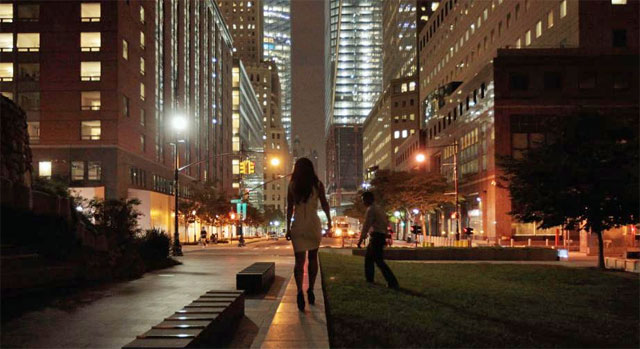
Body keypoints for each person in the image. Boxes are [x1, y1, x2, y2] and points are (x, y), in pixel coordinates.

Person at [286, 157, 332, 311]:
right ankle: (311, 289)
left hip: (298, 225)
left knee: (299, 262)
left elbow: (289, 208)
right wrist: (330, 221)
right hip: (313, 224)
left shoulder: (292, 185)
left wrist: (287, 227)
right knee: (313, 258)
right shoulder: (318, 185)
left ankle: (299, 291)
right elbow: (325, 203)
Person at [357, 192, 399, 289]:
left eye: (363, 200)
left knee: (378, 260)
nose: (363, 202)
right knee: (369, 258)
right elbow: (385, 223)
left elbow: (366, 225)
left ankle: (392, 281)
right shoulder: (379, 208)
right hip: (380, 236)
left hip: (376, 236)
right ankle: (370, 279)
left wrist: (361, 239)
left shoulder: (371, 210)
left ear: (368, 199)